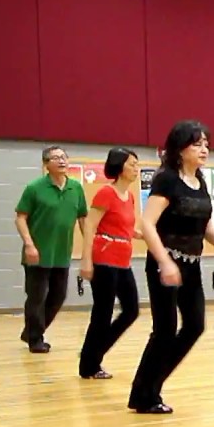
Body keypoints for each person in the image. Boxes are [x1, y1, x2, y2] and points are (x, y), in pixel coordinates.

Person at [128, 120, 214, 414]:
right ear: (179, 149)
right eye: (196, 144)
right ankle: (145, 394)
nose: (204, 149)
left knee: (195, 325)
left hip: (191, 266)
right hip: (165, 264)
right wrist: (165, 262)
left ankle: (148, 386)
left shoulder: (200, 181)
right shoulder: (167, 180)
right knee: (165, 330)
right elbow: (147, 224)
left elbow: (205, 226)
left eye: (206, 144)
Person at [14, 146, 87, 353]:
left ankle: (31, 331)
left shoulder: (76, 188)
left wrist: (90, 245)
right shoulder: (34, 188)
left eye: (64, 157)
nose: (61, 161)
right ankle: (35, 339)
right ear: (46, 164)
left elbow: (83, 218)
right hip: (37, 253)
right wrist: (29, 244)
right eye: (56, 158)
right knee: (36, 297)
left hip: (62, 253)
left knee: (58, 296)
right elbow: (20, 218)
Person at [78, 147, 141, 379]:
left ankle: (92, 352)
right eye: (132, 164)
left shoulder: (130, 197)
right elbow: (90, 225)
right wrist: (86, 260)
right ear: (119, 166)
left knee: (131, 310)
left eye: (137, 164)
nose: (136, 168)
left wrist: (144, 234)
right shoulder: (106, 193)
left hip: (123, 259)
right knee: (103, 313)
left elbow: (125, 227)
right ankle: (89, 365)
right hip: (104, 258)